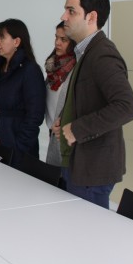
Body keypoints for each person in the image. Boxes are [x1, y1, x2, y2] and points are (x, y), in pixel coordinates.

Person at [54, 0, 133, 209]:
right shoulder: (86, 51)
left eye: (71, 11)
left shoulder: (102, 54)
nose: (63, 17)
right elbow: (88, 98)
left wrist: (77, 128)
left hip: (92, 168)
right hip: (80, 162)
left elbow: (127, 106)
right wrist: (66, 120)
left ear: (91, 17)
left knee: (86, 229)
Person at [0, 18, 46, 169]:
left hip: (17, 150)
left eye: (1, 37)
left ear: (16, 41)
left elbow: (35, 115)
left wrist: (19, 146)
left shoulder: (30, 70)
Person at [44, 22, 76, 189]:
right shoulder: (52, 68)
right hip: (52, 133)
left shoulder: (76, 69)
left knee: (65, 185)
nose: (57, 42)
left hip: (67, 135)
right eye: (56, 37)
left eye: (63, 39)